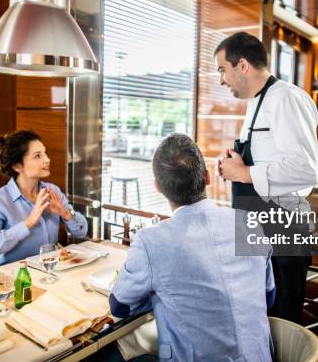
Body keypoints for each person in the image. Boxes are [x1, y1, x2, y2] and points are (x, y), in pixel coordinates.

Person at [109, 134, 275, 361]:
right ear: (207, 177)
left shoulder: (152, 241)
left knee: (110, 353)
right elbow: (269, 296)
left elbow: (120, 307)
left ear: (157, 187)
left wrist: (161, 292)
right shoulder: (250, 223)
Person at [216, 32, 318, 323]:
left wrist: (244, 172)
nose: (221, 79)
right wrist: (235, 163)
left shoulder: (286, 98)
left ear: (243, 65)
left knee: (281, 322)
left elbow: (305, 168)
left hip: (282, 234)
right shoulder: (255, 103)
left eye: (222, 69)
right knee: (257, 320)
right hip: (256, 232)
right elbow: (266, 159)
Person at [0, 130, 88, 266]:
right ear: (17, 166)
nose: (47, 160)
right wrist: (28, 223)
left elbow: (82, 231)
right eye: (37, 156)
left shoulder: (52, 191)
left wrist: (65, 213)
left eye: (45, 153)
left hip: (48, 274)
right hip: (12, 280)